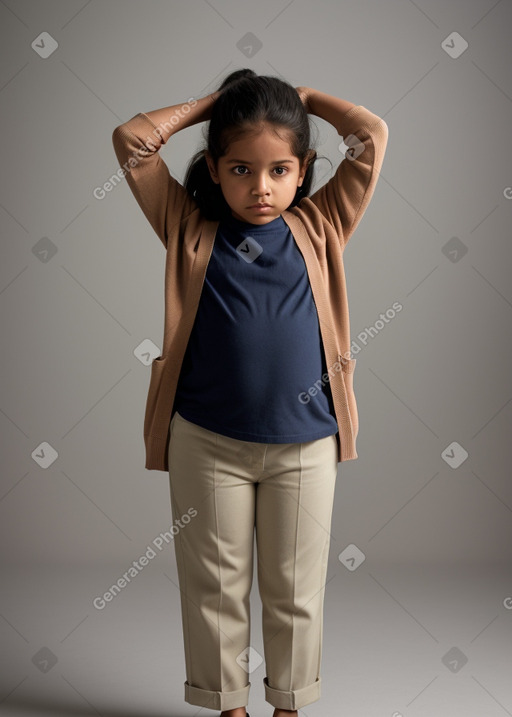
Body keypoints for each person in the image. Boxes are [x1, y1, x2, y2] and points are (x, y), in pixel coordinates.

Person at [112, 68, 388, 717]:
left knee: (296, 590)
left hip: (306, 444)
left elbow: (371, 135)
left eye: (278, 170)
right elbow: (132, 141)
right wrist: (218, 102)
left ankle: (288, 704)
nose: (260, 188)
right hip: (207, 442)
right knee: (214, 587)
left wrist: (304, 98)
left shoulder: (322, 226)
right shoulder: (186, 225)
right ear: (213, 167)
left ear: (303, 169)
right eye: (239, 169)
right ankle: (227, 706)